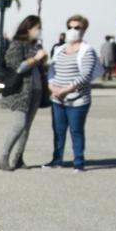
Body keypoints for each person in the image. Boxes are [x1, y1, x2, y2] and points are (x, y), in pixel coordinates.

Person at [46, 12, 102, 171]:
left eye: (77, 27)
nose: (73, 30)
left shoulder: (87, 50)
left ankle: (78, 161)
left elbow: (85, 75)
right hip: (57, 98)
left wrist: (65, 89)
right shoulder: (61, 49)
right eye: (70, 27)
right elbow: (52, 69)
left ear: (84, 29)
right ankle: (57, 159)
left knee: (76, 130)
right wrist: (52, 87)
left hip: (77, 100)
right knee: (58, 130)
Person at [0, 16, 48, 171]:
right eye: (37, 27)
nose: (39, 31)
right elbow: (17, 67)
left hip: (36, 90)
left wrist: (42, 59)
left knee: (27, 126)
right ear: (28, 28)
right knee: (19, 124)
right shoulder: (16, 45)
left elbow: (38, 67)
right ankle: (3, 158)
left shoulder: (35, 45)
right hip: (20, 91)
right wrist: (35, 59)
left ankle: (18, 158)